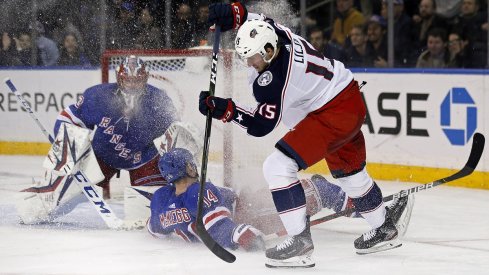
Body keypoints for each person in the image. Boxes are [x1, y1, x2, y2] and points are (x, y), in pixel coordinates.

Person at [199, 2, 412, 268]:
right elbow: (256, 19)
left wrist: (225, 109)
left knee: (278, 166)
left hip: (331, 113)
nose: (249, 64)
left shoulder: (274, 78)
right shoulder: (276, 34)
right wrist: (233, 14)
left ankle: (299, 243)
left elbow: (260, 126)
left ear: (267, 52)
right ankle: (384, 227)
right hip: (346, 97)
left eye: (252, 58)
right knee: (350, 173)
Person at [149, 148, 414, 252]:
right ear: (189, 168)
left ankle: (365, 210)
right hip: (247, 212)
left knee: (308, 190)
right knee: (313, 190)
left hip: (246, 204)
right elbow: (216, 224)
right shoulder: (198, 190)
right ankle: (380, 215)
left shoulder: (161, 200)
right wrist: (242, 235)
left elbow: (155, 228)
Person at [16, 55, 179, 224]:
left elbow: (175, 132)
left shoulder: (159, 101)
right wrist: (65, 142)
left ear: (145, 79)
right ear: (118, 78)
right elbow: (70, 117)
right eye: (127, 80)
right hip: (102, 156)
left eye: (136, 80)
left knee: (152, 211)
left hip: (144, 160)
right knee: (67, 191)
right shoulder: (98, 96)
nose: (131, 85)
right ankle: (37, 209)